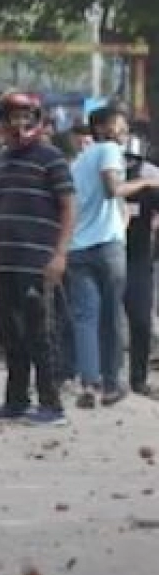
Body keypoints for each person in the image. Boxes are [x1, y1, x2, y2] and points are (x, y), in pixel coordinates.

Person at [0, 91, 74, 426]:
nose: (19, 124)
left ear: (36, 120)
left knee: (41, 334)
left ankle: (52, 405)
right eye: (12, 117)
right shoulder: (2, 161)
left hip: (38, 263)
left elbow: (68, 207)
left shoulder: (52, 158)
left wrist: (60, 254)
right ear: (3, 122)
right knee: (10, 335)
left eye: (25, 117)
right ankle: (16, 400)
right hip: (5, 261)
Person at [66, 108, 159, 408]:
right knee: (110, 317)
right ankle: (110, 383)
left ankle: (89, 384)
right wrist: (144, 184)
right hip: (107, 245)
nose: (124, 131)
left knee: (85, 319)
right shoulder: (108, 150)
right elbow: (113, 190)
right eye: (120, 125)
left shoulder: (78, 162)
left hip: (78, 247)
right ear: (105, 128)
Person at [121, 129, 159, 399]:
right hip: (107, 252)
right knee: (102, 320)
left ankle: (139, 378)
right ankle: (98, 377)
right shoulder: (106, 172)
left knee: (141, 321)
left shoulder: (152, 177)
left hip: (139, 256)